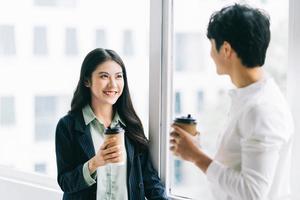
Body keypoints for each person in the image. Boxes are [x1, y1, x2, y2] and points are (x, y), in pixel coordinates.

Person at [170, 4, 294, 200]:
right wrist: (197, 151)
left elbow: (252, 193)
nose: (210, 54)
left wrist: (196, 156)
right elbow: (235, 170)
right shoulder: (249, 99)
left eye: (212, 45)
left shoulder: (261, 109)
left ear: (226, 49)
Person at [55, 48, 168, 200]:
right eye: (104, 76)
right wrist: (94, 163)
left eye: (118, 77)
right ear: (87, 80)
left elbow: (149, 179)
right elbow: (65, 182)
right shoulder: (67, 126)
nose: (113, 84)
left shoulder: (131, 124)